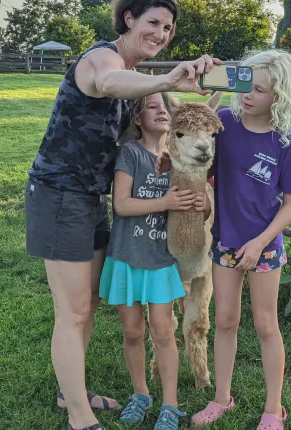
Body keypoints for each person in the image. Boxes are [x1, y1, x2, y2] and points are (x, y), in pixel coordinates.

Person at [24, 0, 219, 430]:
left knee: (87, 303)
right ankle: (79, 416)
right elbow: (110, 81)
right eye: (153, 22)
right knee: (72, 311)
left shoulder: (136, 74)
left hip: (89, 197)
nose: (161, 33)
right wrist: (167, 78)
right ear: (128, 18)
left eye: (168, 28)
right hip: (59, 194)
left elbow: (149, 112)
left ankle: (68, 389)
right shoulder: (101, 58)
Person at [190, 50, 291, 430]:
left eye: (258, 89)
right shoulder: (223, 123)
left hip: (264, 248)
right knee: (224, 320)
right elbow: (196, 147)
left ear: (279, 96)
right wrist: (216, 80)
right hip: (224, 242)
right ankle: (222, 397)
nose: (248, 95)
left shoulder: (287, 143)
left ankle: (274, 408)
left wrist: (259, 243)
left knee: (265, 325)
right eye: (245, 85)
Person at [99, 93, 208, 430]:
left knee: (163, 333)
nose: (162, 111)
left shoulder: (181, 156)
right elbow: (121, 205)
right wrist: (164, 202)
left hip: (161, 260)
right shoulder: (130, 154)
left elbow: (200, 204)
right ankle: (141, 394)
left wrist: (202, 206)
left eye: (165, 108)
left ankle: (170, 405)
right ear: (137, 119)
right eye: (152, 107)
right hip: (128, 258)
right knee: (133, 332)